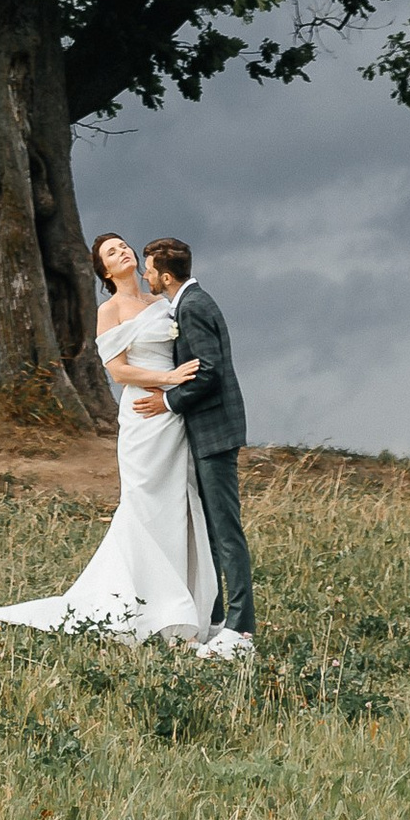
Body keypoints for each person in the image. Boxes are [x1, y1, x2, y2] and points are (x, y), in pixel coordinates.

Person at [0, 231, 218, 646]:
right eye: (111, 253)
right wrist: (167, 378)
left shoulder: (162, 303)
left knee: (177, 503)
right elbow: (118, 371)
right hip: (142, 416)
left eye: (123, 246)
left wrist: (175, 390)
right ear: (105, 271)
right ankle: (149, 608)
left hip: (171, 416)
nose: (122, 252)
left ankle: (181, 609)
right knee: (144, 504)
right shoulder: (110, 310)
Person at [139, 237, 253, 659]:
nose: (145, 276)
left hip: (215, 431)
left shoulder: (193, 307)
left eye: (149, 270)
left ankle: (241, 631)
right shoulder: (188, 303)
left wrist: (167, 401)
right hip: (205, 432)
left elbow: (209, 373)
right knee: (209, 533)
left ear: (166, 276)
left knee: (226, 532)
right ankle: (218, 619)